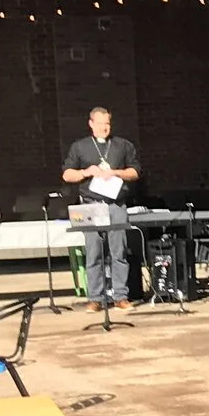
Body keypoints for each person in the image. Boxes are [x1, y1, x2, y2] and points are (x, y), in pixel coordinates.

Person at [61, 104, 141, 313]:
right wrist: (87, 172)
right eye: (100, 123)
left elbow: (134, 172)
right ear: (91, 124)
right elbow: (67, 175)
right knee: (94, 252)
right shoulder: (80, 147)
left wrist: (115, 172)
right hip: (91, 205)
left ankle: (120, 296)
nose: (104, 128)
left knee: (118, 252)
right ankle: (95, 298)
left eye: (107, 123)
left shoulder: (122, 145)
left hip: (115, 204)